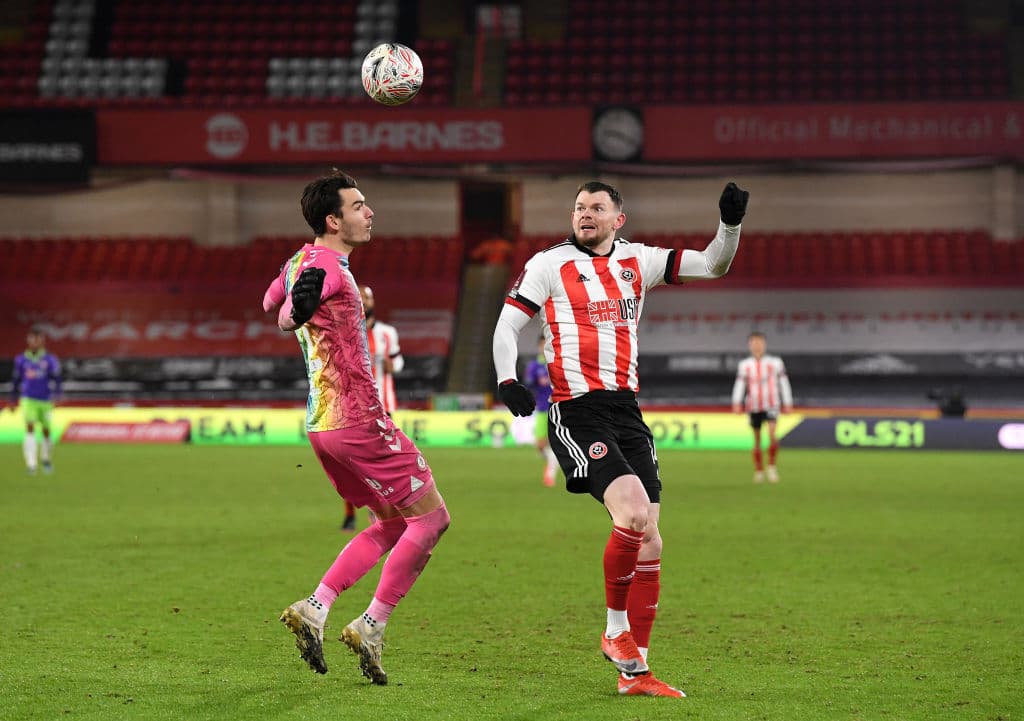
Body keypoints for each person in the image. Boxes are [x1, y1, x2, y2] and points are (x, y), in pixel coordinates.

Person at [493, 180, 749, 698]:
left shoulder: (640, 260)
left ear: (618, 220)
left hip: (627, 411)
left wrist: (730, 225)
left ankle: (637, 675)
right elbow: (507, 325)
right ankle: (614, 631)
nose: (584, 214)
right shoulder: (549, 264)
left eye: (596, 208)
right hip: (577, 409)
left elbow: (714, 264)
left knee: (651, 537)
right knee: (632, 513)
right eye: (579, 207)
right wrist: (506, 378)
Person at [263, 169, 450, 684]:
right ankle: (371, 624)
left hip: (321, 424)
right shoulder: (328, 266)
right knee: (432, 521)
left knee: (391, 523)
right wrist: (295, 312)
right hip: (360, 418)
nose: (370, 213)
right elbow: (288, 312)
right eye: (360, 205)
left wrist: (291, 308)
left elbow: (268, 303)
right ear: (333, 219)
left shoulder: (299, 258)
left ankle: (316, 607)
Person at [340, 284, 405, 532]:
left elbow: (398, 361)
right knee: (351, 465)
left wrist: (392, 365)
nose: (363, 302)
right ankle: (350, 513)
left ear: (373, 302)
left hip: (383, 406)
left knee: (383, 463)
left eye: (366, 298)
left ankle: (382, 511)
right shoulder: (344, 333)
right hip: (354, 408)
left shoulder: (388, 333)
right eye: (359, 298)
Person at [731, 332, 792, 483]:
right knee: (757, 439)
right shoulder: (745, 365)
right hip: (754, 406)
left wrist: (788, 402)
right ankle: (759, 470)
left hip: (772, 404)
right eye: (754, 343)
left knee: (772, 434)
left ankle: (771, 467)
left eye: (759, 342)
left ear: (764, 344)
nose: (757, 345)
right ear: (749, 345)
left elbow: (783, 382)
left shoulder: (775, 362)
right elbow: (740, 384)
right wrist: (736, 402)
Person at [9, 327, 62, 475]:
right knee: (30, 427)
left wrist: (58, 395)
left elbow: (57, 379)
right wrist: (13, 400)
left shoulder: (50, 359)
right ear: (28, 341)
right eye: (33, 339)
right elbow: (15, 380)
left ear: (42, 341)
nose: (35, 343)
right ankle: (31, 464)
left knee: (46, 431)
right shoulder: (21, 359)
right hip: (28, 399)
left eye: (38, 340)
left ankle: (45, 459)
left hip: (45, 400)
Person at [522, 335, 558, 487]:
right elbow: (528, 383)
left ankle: (550, 473)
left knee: (555, 442)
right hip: (542, 408)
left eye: (547, 344)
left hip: (558, 408)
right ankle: (553, 463)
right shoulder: (535, 366)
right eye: (542, 345)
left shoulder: (557, 363)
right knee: (540, 445)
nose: (544, 348)